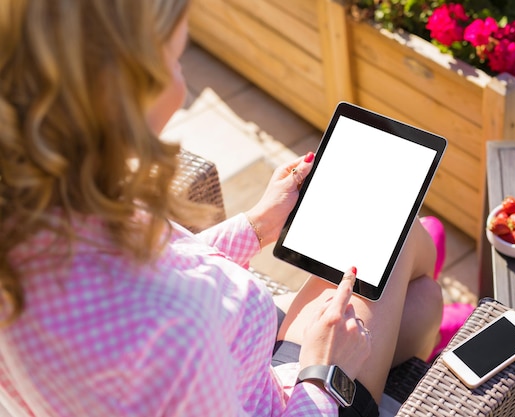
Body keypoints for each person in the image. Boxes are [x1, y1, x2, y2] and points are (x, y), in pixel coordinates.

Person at [0, 1, 446, 416]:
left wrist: (256, 225)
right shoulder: (174, 338)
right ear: (123, 90)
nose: (182, 79)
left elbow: (163, 267)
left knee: (421, 298)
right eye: (176, 61)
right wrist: (325, 371)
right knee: (401, 240)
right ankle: (420, 292)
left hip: (244, 366)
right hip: (295, 398)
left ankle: (418, 298)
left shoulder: (40, 207)